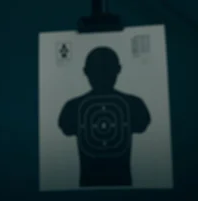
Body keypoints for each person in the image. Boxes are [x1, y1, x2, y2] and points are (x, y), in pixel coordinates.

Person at [58, 47, 150, 187]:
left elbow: (66, 128)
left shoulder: (73, 107)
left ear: (85, 71)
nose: (102, 74)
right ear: (119, 69)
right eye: (98, 69)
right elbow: (142, 125)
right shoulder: (134, 104)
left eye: (106, 69)